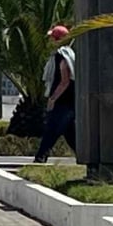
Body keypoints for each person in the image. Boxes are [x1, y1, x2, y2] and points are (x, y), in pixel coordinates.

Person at [33, 26, 76, 163]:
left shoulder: (62, 56)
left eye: (52, 38)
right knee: (70, 134)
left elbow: (65, 81)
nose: (49, 41)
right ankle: (83, 155)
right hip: (68, 102)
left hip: (63, 102)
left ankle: (40, 157)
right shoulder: (63, 55)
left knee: (52, 129)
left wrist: (53, 98)